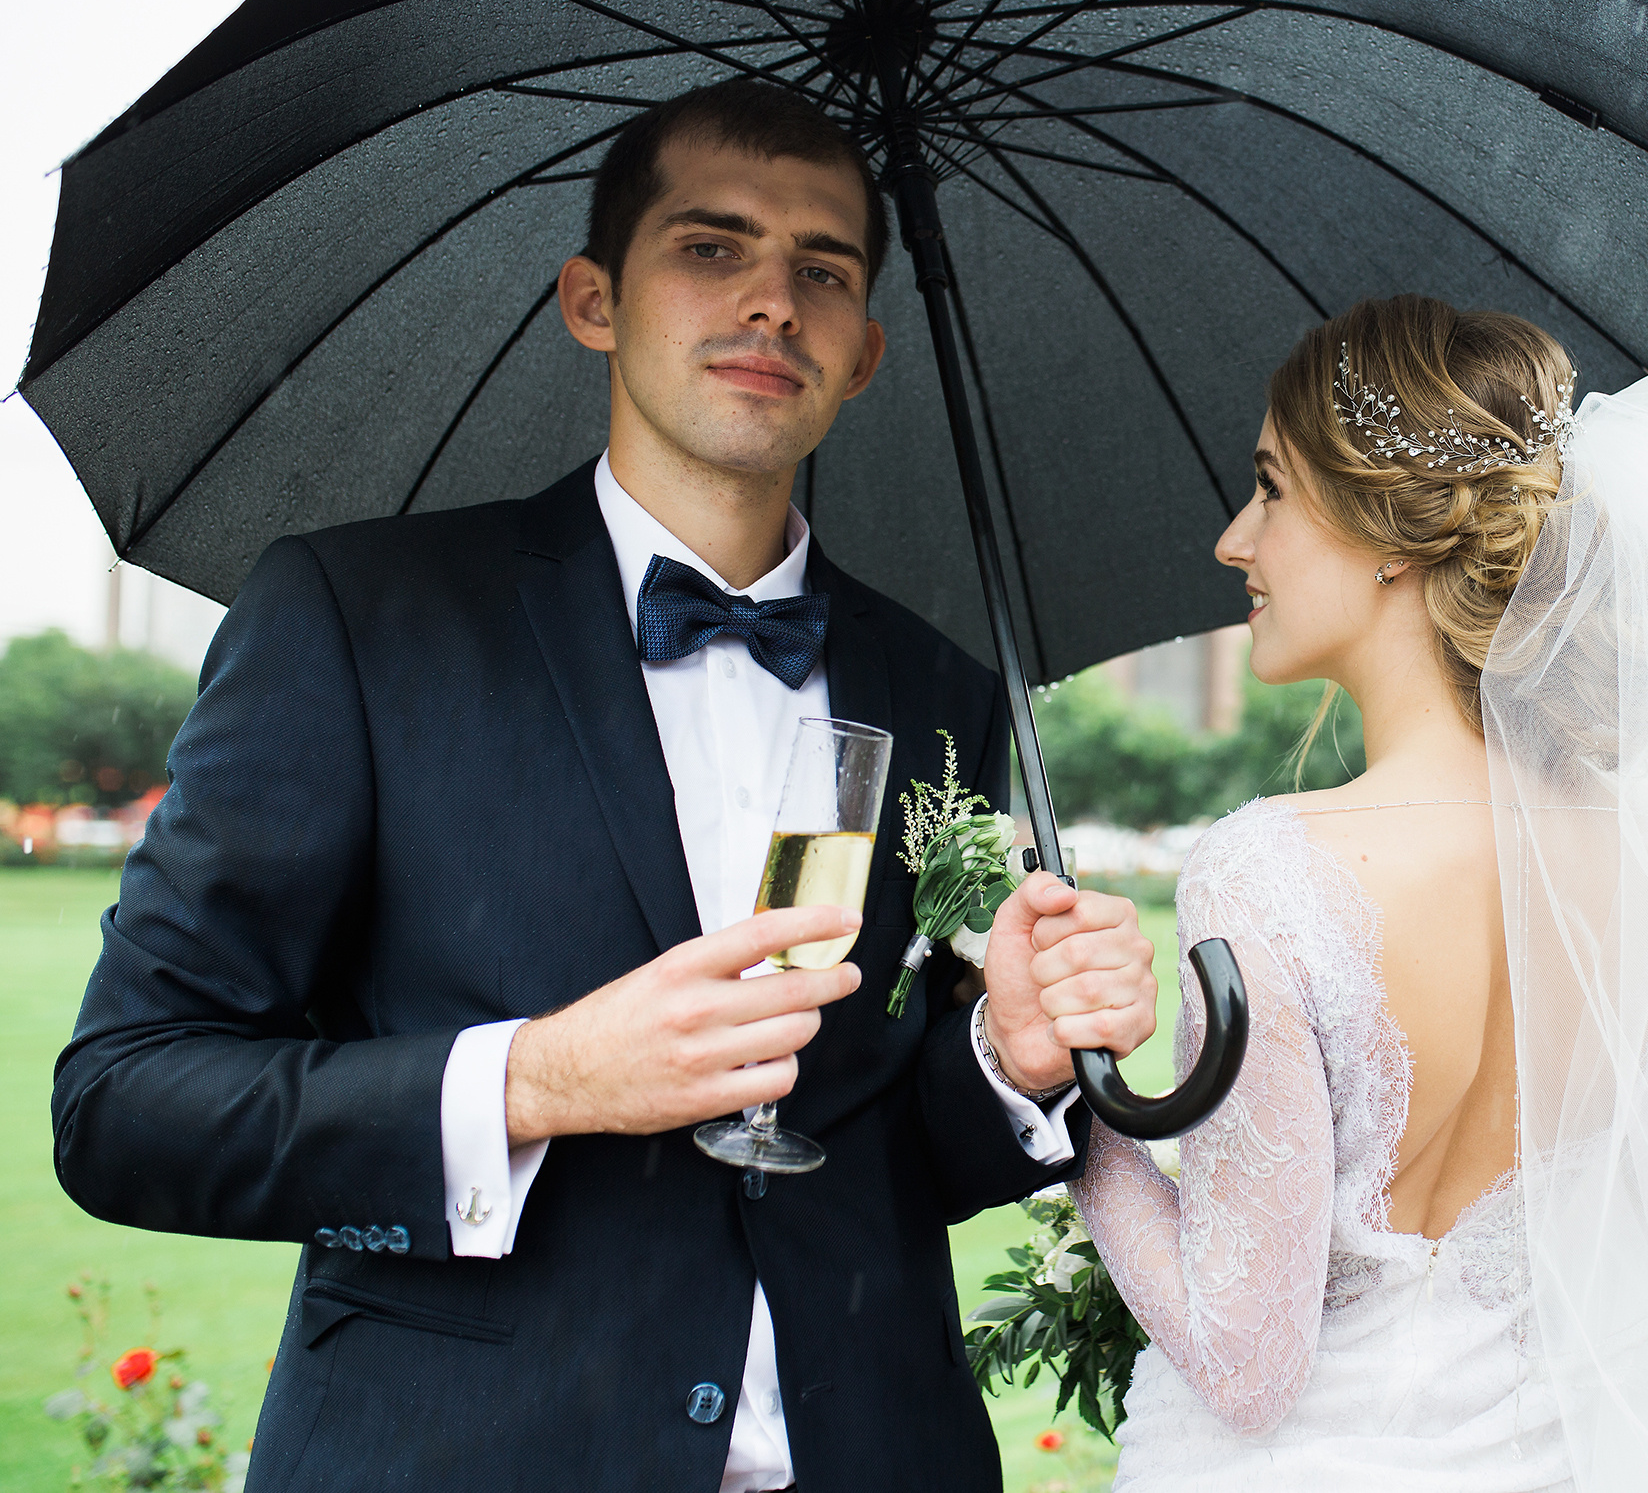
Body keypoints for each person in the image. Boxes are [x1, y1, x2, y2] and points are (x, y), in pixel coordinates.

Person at [50, 80, 1158, 1492]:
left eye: (822, 269)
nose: (773, 301)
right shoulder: (355, 614)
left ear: (866, 350)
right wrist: (536, 1076)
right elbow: (127, 1102)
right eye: (712, 247)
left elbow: (875, 1155)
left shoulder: (944, 688)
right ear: (592, 299)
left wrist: (1009, 1056)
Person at [1070, 297, 1648, 1490]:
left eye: (1271, 488)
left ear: (1384, 528)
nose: (1236, 540)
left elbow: (1245, 1364)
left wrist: (1070, 1112)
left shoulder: (1270, 872)